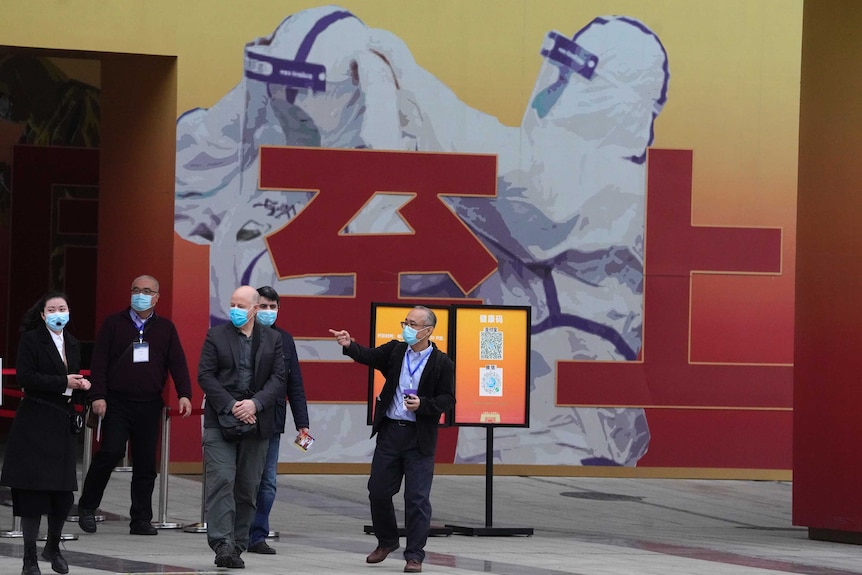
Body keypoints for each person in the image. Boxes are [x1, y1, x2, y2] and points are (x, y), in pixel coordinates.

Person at [329, 305, 455, 574]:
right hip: (390, 433)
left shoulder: (441, 363)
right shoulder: (396, 351)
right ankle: (387, 542)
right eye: (405, 322)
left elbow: (448, 399)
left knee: (417, 498)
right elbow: (368, 356)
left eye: (413, 324)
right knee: (378, 491)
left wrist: (423, 404)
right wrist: (349, 344)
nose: (407, 328)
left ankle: (415, 555)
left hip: (419, 439)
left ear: (428, 331)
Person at [77, 275, 193, 536]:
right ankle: (87, 507)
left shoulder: (166, 328)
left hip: (149, 404)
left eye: (147, 290)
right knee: (110, 452)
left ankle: (141, 519)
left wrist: (184, 393)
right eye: (136, 290)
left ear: (157, 297)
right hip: (116, 402)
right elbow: (100, 362)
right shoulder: (113, 324)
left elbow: (178, 362)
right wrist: (98, 396)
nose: (141, 294)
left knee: (145, 463)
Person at [1, 291, 91, 575]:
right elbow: (25, 377)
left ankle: (52, 545)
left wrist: (81, 387)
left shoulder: (73, 343)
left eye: (62, 308)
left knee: (63, 493)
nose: (57, 313)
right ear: (42, 315)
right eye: (51, 309)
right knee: (32, 492)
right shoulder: (31, 340)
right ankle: (29, 557)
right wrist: (63, 381)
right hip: (35, 421)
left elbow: (72, 379)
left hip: (62, 421)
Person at [197, 285, 286, 569]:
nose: (234, 309)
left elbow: (278, 378)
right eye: (232, 304)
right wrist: (233, 405)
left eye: (241, 305)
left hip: (257, 422)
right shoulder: (216, 336)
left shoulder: (273, 339)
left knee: (248, 487)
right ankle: (221, 544)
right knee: (222, 479)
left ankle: (237, 544)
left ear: (255, 308)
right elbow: (205, 376)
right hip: (220, 419)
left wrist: (255, 404)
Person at [247, 286, 310, 555]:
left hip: (271, 420)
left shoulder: (285, 339)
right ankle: (235, 532)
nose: (268, 312)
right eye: (263, 306)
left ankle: (257, 535)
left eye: (273, 307)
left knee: (267, 481)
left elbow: (294, 383)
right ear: (253, 308)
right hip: (241, 417)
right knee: (242, 479)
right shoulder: (239, 336)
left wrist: (302, 422)